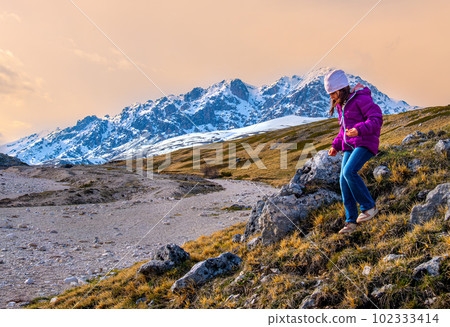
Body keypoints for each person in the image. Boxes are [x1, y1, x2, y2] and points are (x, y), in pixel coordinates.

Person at [325, 69, 383, 234]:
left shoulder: (361, 98)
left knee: (350, 172)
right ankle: (351, 222)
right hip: (351, 145)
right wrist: (335, 146)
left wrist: (359, 130)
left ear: (340, 89)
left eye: (332, 93)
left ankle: (369, 207)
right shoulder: (341, 106)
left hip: (366, 142)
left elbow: (376, 119)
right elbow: (343, 130)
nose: (331, 98)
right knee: (344, 180)